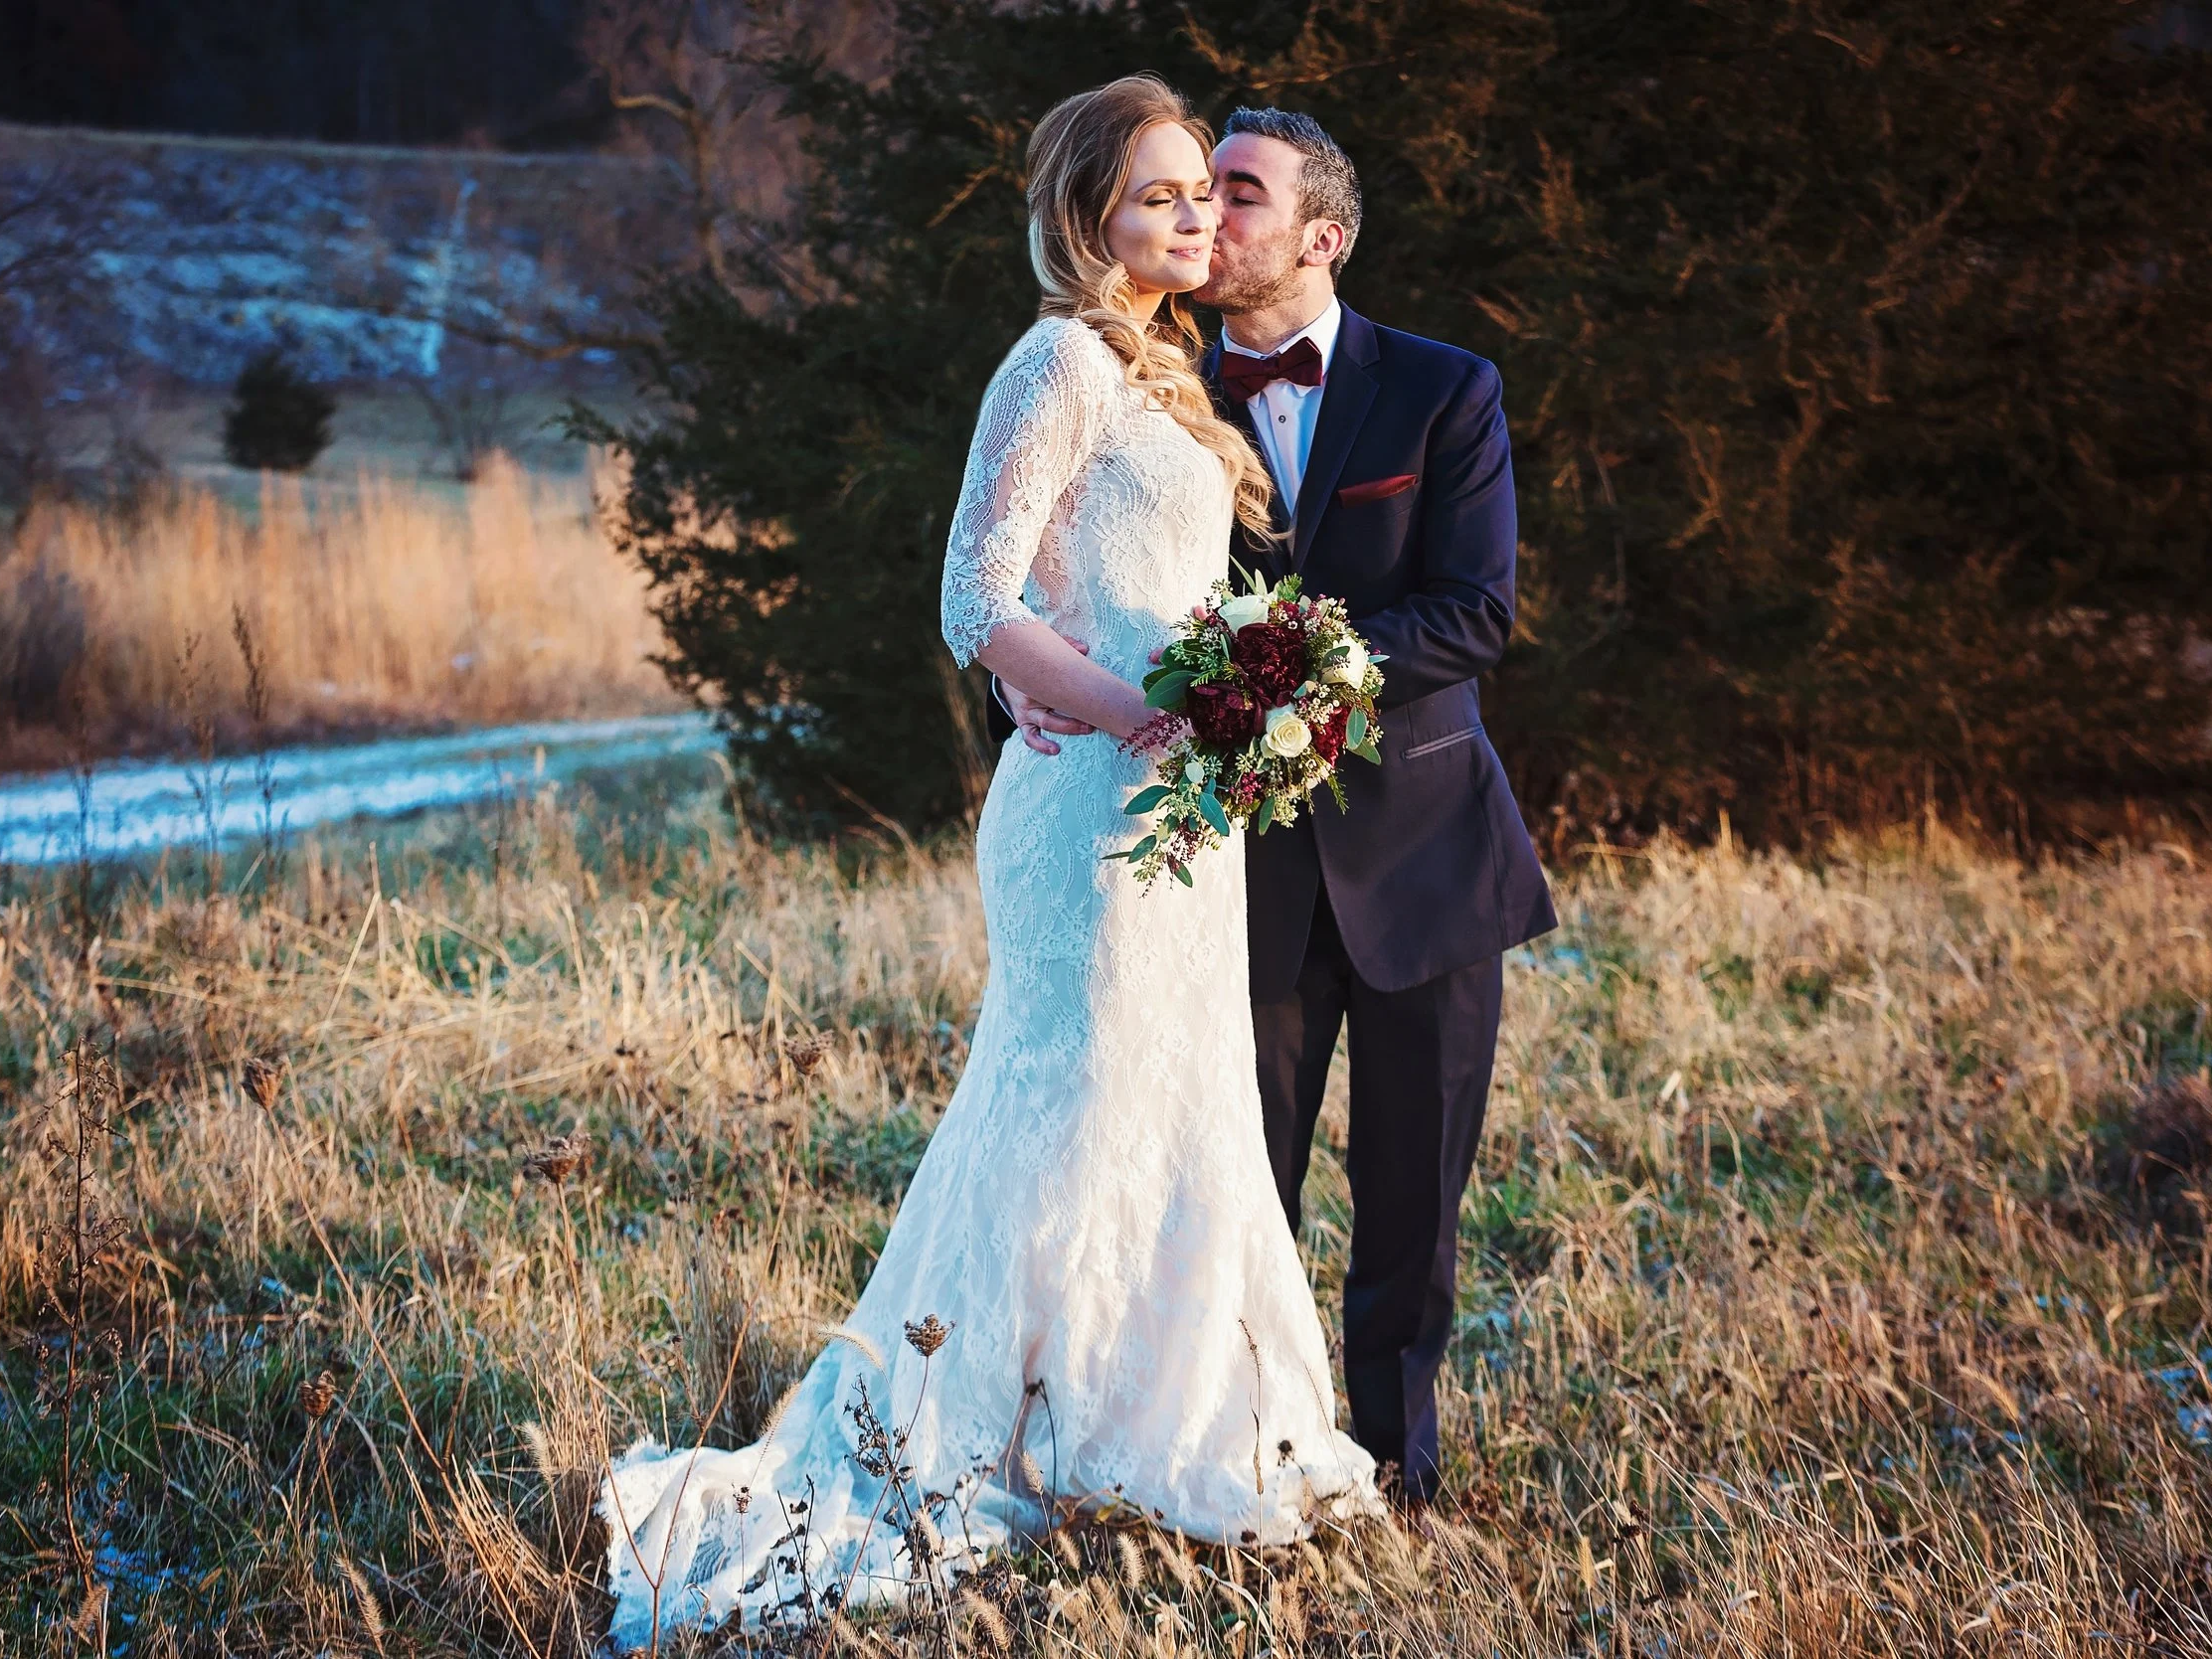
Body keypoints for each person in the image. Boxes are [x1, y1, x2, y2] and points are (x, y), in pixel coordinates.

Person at [599, 77, 1379, 1648]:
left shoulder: (1160, 373)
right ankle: (990, 1436)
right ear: (1091, 215)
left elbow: (1103, 585)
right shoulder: (1059, 361)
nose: (1190, 220)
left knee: (1181, 1101)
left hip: (1180, 813)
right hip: (1088, 807)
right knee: (1069, 1096)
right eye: (1158, 197)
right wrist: (1140, 709)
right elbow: (976, 599)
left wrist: (1237, 702)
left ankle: (1156, 1436)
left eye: (1201, 197)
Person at [994, 107, 1558, 1510]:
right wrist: (1028, 686)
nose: (1205, 217)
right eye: (1185, 191)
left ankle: (1405, 1476)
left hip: (1427, 855)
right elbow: (1049, 572)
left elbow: (1476, 611)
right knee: (1231, 1186)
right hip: (1223, 868)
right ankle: (1237, 1455)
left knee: (1414, 1204)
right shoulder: (1147, 384)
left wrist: (1299, 673)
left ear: (1321, 234)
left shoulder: (1444, 389)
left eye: (1236, 193)